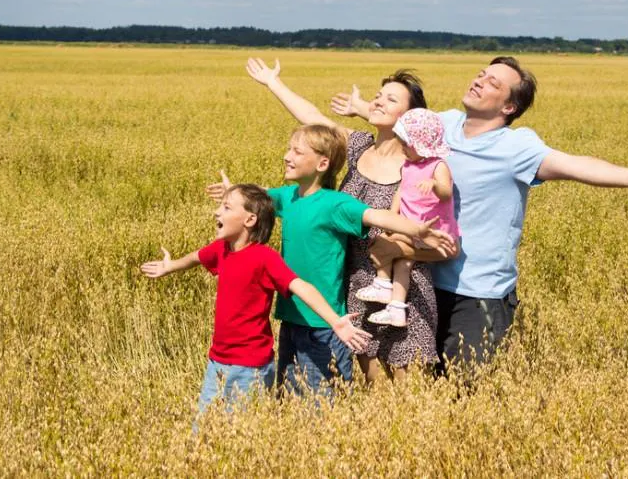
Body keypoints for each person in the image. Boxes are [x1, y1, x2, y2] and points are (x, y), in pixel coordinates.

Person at [331, 56, 628, 370]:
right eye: (481, 74)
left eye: (493, 83)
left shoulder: (517, 147)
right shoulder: (444, 124)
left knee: (464, 389)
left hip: (477, 292)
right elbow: (406, 125)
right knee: (416, 387)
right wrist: (363, 107)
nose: (479, 81)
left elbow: (575, 165)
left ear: (509, 106)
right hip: (422, 279)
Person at [243, 58, 459, 385]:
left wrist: (397, 251)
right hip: (356, 286)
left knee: (410, 393)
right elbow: (313, 119)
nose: (378, 101)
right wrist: (273, 83)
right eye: (378, 95)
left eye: (391, 99)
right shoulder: (358, 147)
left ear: (410, 117)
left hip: (404, 292)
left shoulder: (422, 168)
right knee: (374, 387)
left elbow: (445, 245)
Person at [205, 125, 454, 396]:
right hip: (291, 319)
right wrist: (233, 193)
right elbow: (258, 198)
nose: (287, 156)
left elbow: (375, 216)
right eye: (289, 149)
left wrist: (416, 230)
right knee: (288, 398)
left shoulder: (335, 204)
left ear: (322, 164)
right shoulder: (288, 197)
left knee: (321, 402)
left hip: (324, 325)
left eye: (297, 152)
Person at [140, 184, 372, 415]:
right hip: (217, 361)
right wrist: (171, 266)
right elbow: (198, 257)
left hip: (250, 367)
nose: (216, 212)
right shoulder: (222, 249)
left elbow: (301, 286)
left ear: (250, 220)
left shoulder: (264, 258)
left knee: (242, 428)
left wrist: (335, 321)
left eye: (226, 207)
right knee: (204, 426)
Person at [355, 108, 459, 329]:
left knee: (384, 243)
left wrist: (434, 184)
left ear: (421, 144)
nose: (401, 146)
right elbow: (401, 191)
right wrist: (393, 215)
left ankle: (383, 284)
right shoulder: (409, 165)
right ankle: (396, 308)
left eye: (405, 143)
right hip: (411, 226)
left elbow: (446, 193)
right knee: (403, 263)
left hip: (431, 230)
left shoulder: (437, 165)